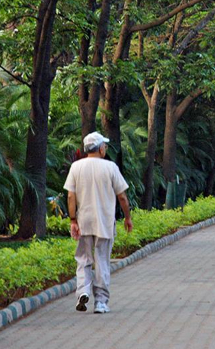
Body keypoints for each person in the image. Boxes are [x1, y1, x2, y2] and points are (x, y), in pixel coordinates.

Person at [65, 132, 133, 314]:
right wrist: (127, 217)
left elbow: (71, 195)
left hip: (83, 222)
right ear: (101, 148)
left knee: (83, 260)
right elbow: (122, 197)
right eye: (105, 146)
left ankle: (83, 292)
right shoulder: (110, 167)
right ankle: (101, 302)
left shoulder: (76, 167)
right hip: (104, 222)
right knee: (102, 261)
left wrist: (73, 220)